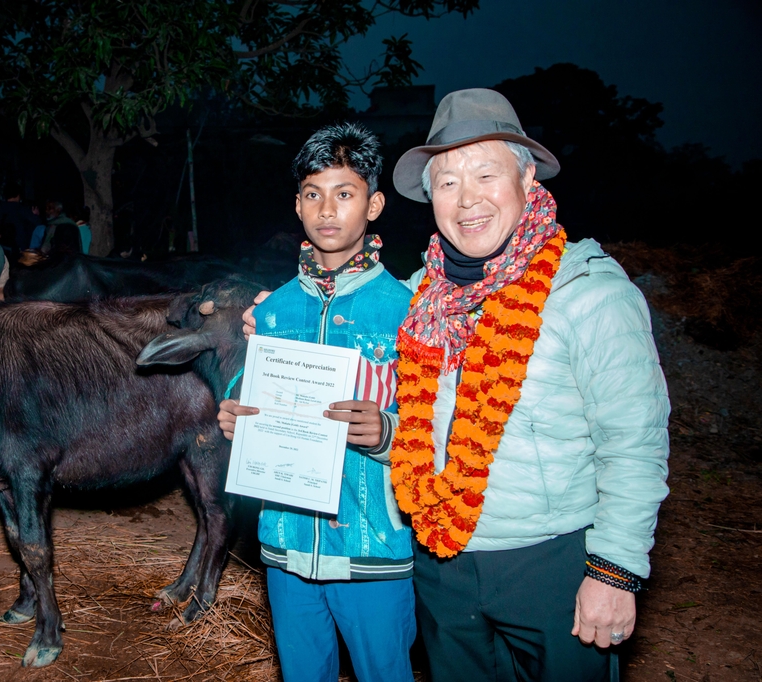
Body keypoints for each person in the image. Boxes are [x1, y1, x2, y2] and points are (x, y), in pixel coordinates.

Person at [229, 89, 671, 681]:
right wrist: (272, 326)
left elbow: (634, 445)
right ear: (431, 197)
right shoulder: (425, 301)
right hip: (442, 568)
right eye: (448, 183)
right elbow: (413, 419)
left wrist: (614, 573)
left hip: (549, 566)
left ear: (527, 178)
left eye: (486, 174)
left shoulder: (586, 294)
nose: (468, 200)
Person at [218, 123, 417, 682]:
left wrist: (385, 434)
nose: (327, 209)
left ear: (374, 204)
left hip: (373, 547)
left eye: (345, 193)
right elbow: (250, 388)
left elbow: (437, 431)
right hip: (284, 546)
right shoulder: (275, 310)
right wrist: (234, 411)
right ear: (298, 207)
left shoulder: (404, 311)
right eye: (313, 194)